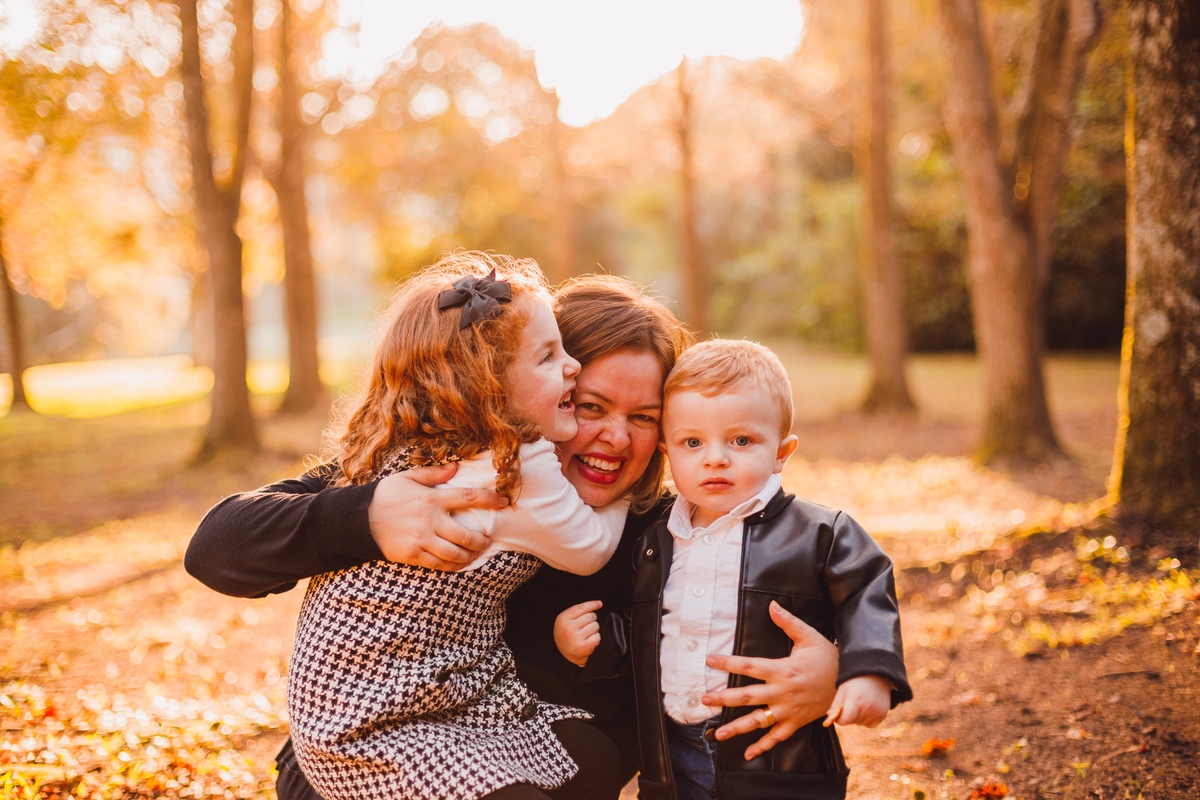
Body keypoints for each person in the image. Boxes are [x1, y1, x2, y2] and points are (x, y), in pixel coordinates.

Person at [185, 275, 843, 800]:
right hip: (375, 768)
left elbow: (786, 590)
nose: (614, 438)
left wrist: (829, 670)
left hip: (537, 759)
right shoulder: (438, 477)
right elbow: (216, 550)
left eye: (643, 418)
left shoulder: (666, 531)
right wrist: (364, 517)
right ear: (516, 392)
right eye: (589, 406)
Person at [286, 252, 632, 800]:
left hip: (426, 691)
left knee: (592, 760)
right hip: (376, 722)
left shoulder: (415, 441)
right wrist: (630, 495)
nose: (572, 367)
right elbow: (590, 550)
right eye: (547, 357)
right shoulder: (514, 466)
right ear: (487, 389)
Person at [555, 339, 912, 800]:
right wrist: (597, 642)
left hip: (777, 758)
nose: (716, 457)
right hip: (672, 760)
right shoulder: (656, 541)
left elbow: (867, 594)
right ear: (669, 452)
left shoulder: (819, 533)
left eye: (741, 441)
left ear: (783, 451)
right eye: (693, 442)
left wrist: (867, 673)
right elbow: (650, 634)